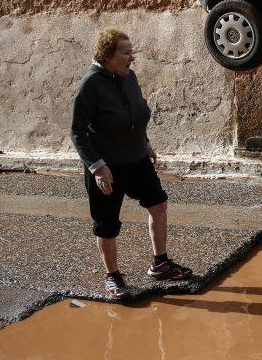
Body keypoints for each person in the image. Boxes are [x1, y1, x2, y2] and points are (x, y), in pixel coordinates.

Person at [71, 28, 192, 300]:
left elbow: (136, 113)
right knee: (107, 224)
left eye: (131, 51)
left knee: (158, 204)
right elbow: (77, 132)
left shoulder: (128, 77)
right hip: (107, 167)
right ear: (107, 56)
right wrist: (97, 167)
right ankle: (113, 277)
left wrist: (145, 142)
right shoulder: (89, 86)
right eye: (125, 53)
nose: (132, 58)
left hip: (136, 159)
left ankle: (160, 263)